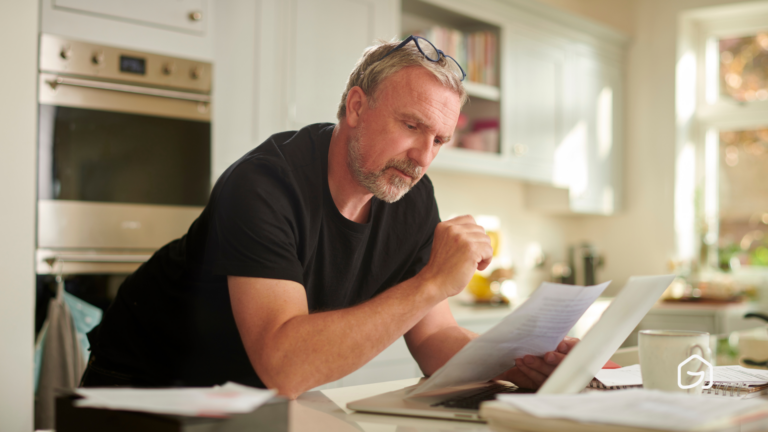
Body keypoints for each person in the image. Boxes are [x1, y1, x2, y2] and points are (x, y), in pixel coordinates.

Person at [81, 37, 578, 398]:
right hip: (145, 392)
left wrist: (525, 361)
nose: (423, 156)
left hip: (246, 402)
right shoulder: (264, 184)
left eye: (439, 140)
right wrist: (431, 282)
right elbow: (286, 366)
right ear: (357, 106)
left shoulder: (412, 196)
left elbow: (434, 339)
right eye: (411, 126)